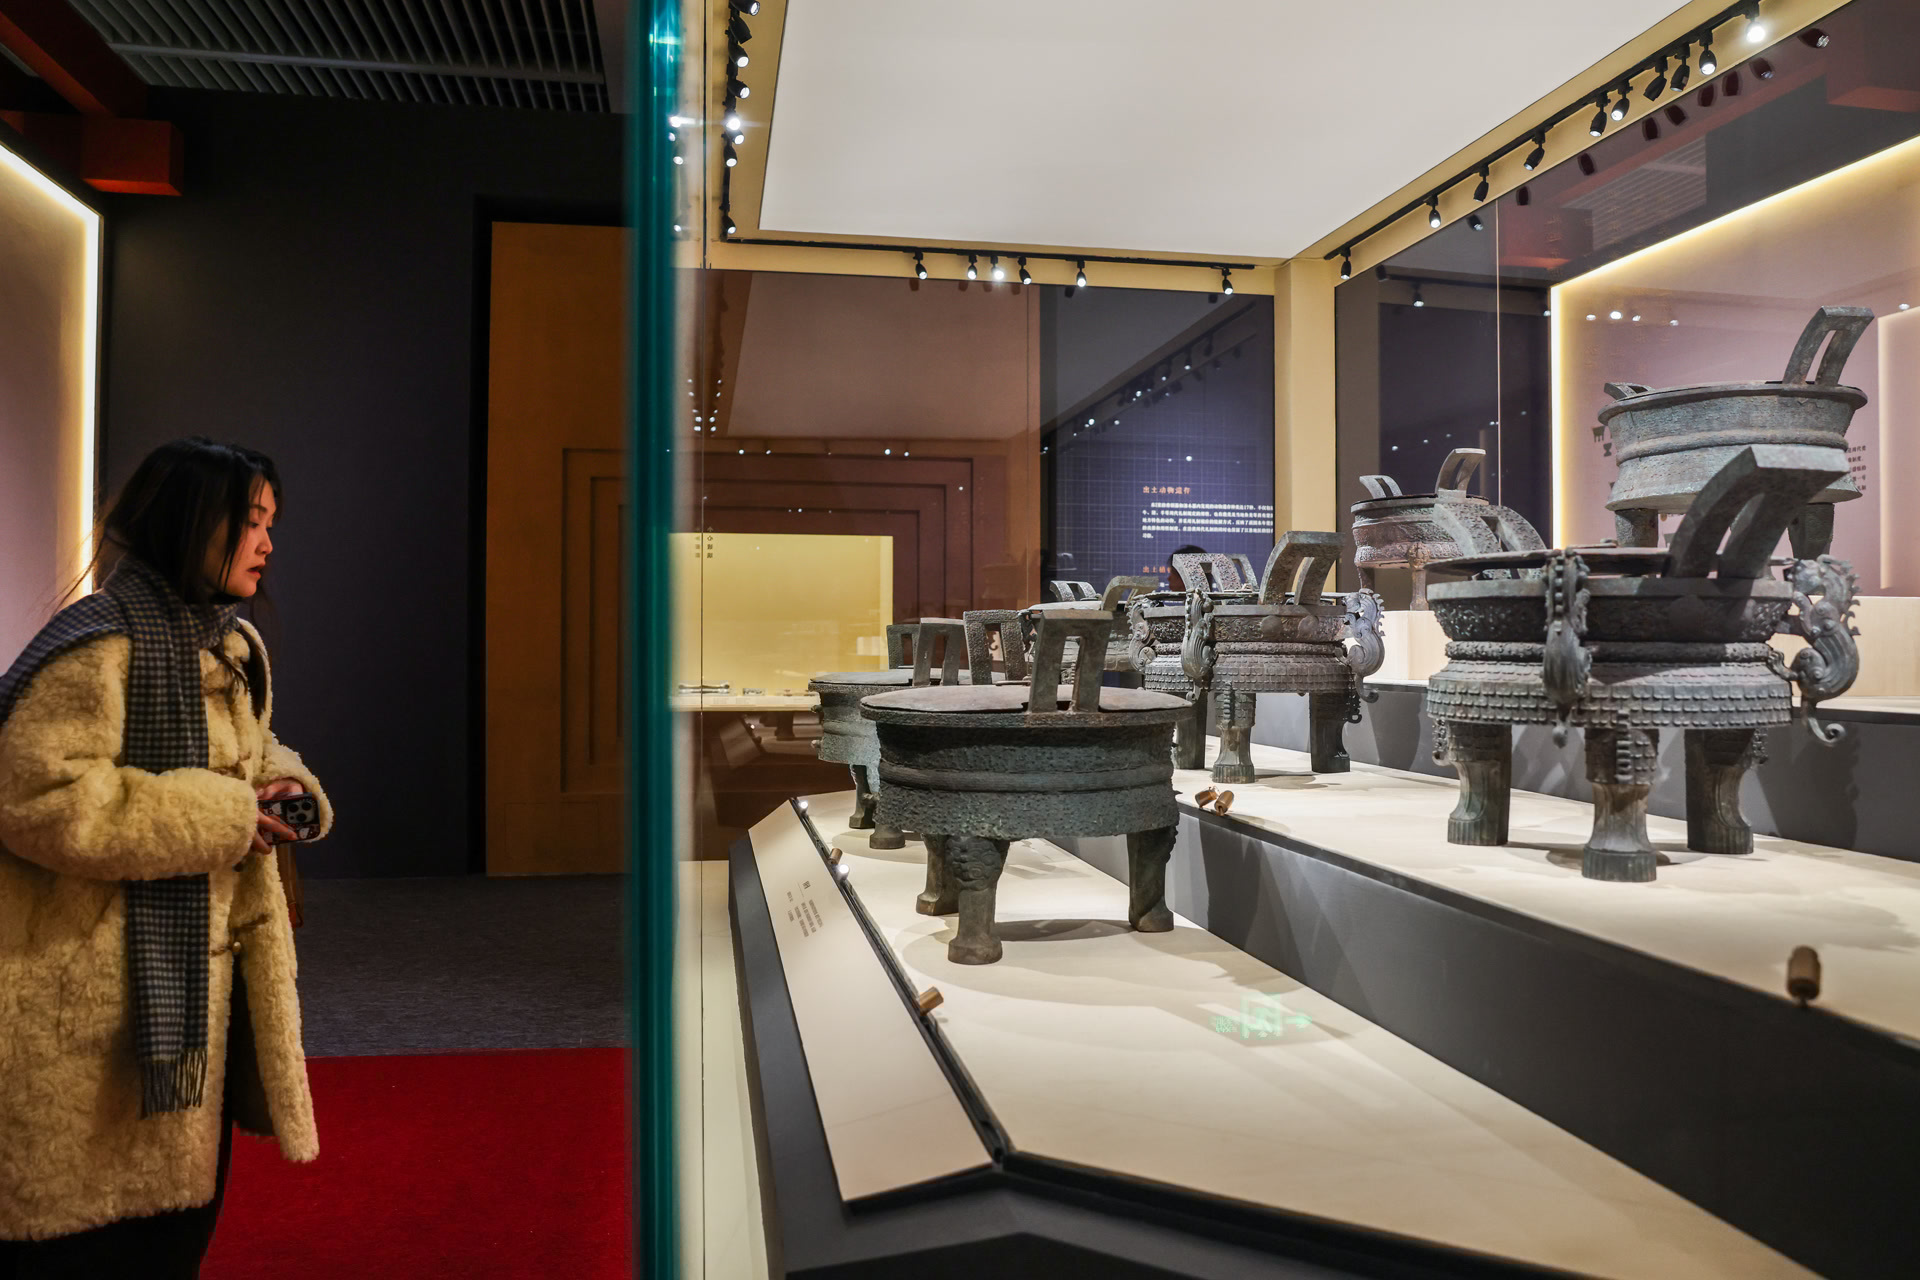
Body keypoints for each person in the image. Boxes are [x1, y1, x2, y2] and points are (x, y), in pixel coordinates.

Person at [0, 438, 332, 1278]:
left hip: (194, 983)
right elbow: (40, 798)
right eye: (251, 521)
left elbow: (243, 752)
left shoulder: (227, 644)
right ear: (191, 521)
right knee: (87, 1235)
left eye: (271, 523)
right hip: (91, 989)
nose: (268, 543)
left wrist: (284, 788)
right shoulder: (98, 645)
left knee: (180, 1216)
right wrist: (228, 815)